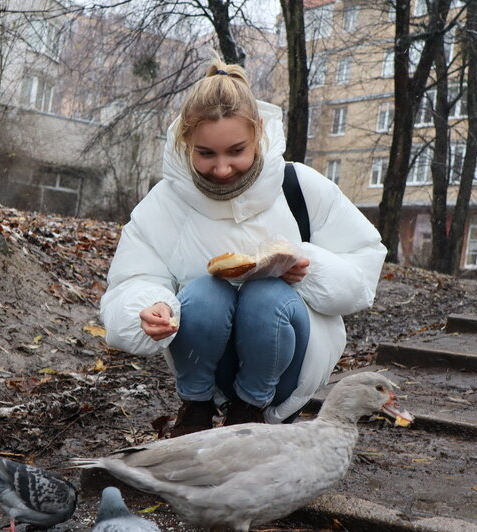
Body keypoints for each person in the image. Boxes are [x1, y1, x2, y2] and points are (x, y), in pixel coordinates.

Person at [99, 58, 386, 437]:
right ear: (186, 143)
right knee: (204, 290)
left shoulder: (300, 187)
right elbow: (130, 280)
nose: (221, 169)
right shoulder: (166, 202)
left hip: (289, 362)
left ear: (258, 133)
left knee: (266, 294)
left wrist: (309, 268)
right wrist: (149, 308)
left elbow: (364, 272)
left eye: (236, 150)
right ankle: (196, 409)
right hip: (204, 364)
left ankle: (249, 414)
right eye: (206, 153)